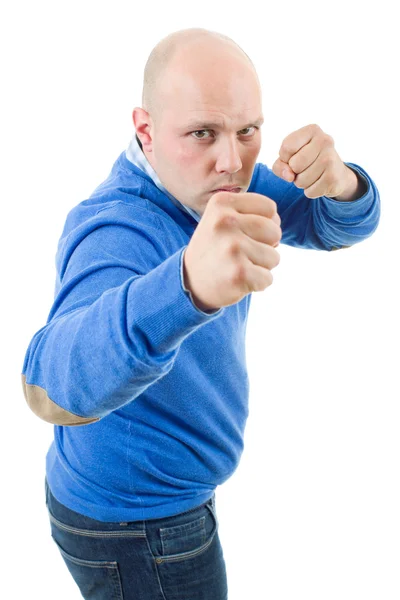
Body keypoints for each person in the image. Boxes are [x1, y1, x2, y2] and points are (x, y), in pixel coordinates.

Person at [21, 27, 380, 600]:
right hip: (136, 525)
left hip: (154, 502)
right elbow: (47, 389)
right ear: (146, 131)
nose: (232, 160)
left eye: (248, 131)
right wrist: (185, 285)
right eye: (202, 133)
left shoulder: (219, 182)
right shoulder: (115, 228)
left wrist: (342, 184)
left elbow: (333, 227)